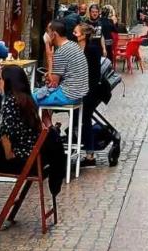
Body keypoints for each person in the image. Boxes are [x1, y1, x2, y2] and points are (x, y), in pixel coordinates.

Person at [0, 66, 41, 228]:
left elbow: (7, 134)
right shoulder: (27, 99)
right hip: (32, 158)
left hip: (20, 160)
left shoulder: (11, 102)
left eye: (0, 79)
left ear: (8, 82)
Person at [75, 22, 111, 168]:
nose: (74, 34)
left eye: (76, 32)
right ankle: (80, 146)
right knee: (79, 118)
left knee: (85, 119)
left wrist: (86, 90)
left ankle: (90, 155)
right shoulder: (76, 49)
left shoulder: (92, 50)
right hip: (79, 89)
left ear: (84, 35)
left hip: (90, 91)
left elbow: (93, 75)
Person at [35, 21, 90, 107]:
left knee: (28, 98)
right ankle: (45, 121)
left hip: (68, 95)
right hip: (78, 93)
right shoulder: (73, 45)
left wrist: (49, 57)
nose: (46, 35)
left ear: (54, 34)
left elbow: (52, 82)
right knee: (39, 94)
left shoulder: (61, 52)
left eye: (48, 31)